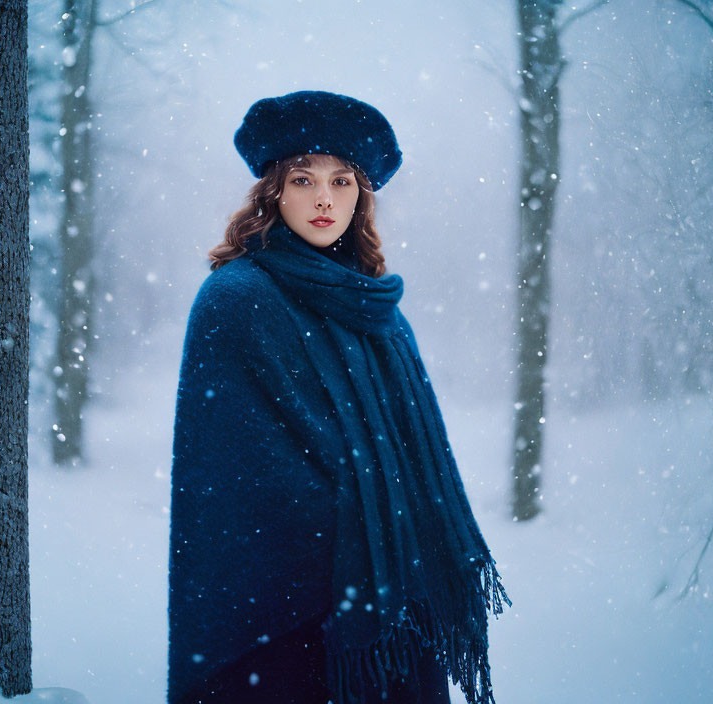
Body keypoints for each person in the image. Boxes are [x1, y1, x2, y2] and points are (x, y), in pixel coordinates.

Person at [168, 90, 511, 704]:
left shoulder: (379, 309)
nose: (325, 199)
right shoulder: (236, 298)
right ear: (273, 190)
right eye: (303, 179)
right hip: (286, 604)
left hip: (390, 599)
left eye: (343, 181)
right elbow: (233, 469)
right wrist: (362, 512)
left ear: (361, 196)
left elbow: (412, 454)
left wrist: (395, 519)